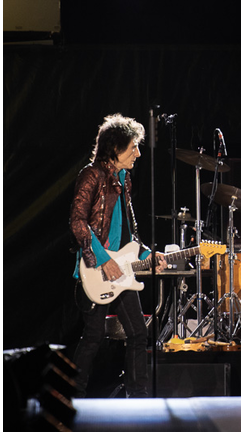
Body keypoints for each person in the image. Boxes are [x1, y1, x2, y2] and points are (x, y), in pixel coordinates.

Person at [69, 113, 167, 397]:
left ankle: (138, 398)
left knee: (138, 333)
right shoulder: (91, 175)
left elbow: (128, 233)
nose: (138, 153)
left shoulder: (124, 180)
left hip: (121, 269)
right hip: (96, 268)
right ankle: (70, 398)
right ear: (115, 148)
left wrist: (150, 255)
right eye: (133, 146)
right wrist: (103, 260)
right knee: (94, 337)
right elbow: (78, 222)